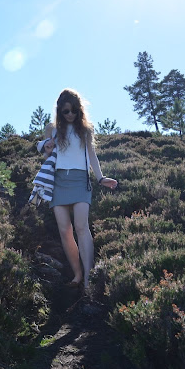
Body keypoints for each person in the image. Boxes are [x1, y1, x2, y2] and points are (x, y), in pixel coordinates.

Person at [41, 88, 117, 289]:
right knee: (65, 230)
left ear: (79, 109)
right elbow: (48, 157)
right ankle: (77, 274)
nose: (70, 114)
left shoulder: (86, 130)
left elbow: (92, 155)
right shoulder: (51, 129)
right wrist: (47, 151)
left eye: (74, 110)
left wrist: (100, 178)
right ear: (60, 111)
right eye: (66, 111)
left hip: (80, 181)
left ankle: (89, 277)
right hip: (58, 181)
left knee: (82, 227)